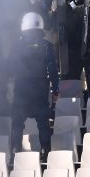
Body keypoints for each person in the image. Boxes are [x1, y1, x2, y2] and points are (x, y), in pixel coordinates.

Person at [9, 12, 59, 157]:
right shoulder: (47, 46)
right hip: (40, 89)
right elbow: (53, 70)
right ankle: (45, 152)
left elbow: (9, 68)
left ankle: (15, 152)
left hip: (21, 89)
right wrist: (55, 90)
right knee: (43, 123)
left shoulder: (16, 46)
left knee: (17, 123)